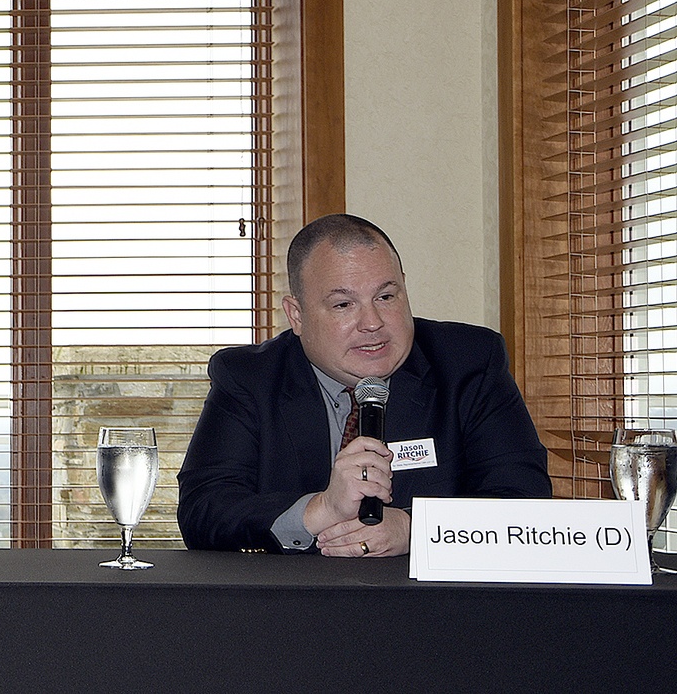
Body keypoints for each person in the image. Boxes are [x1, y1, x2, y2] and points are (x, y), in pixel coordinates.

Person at [177, 213, 551, 556]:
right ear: (297, 315)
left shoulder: (468, 363)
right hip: (293, 612)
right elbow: (204, 510)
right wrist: (321, 509)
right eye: (343, 305)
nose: (372, 322)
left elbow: (524, 502)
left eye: (386, 297)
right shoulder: (249, 378)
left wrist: (416, 530)